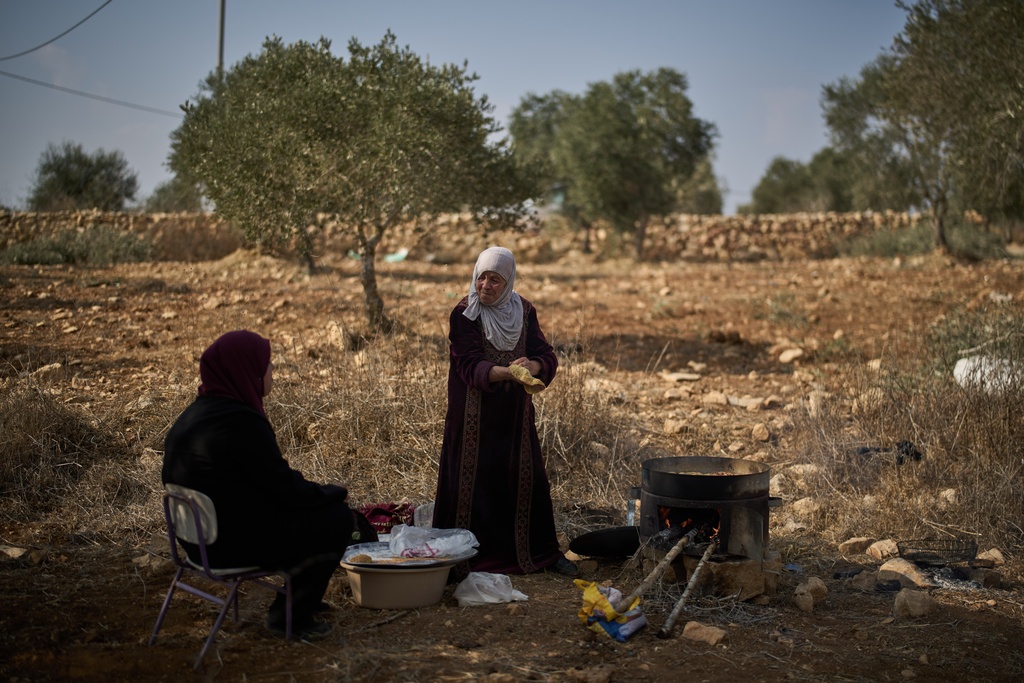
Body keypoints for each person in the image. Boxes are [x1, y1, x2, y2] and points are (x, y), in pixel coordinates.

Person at [162, 330, 366, 639]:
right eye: (267, 365)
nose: (271, 373)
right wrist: (331, 494)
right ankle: (291, 615)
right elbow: (284, 488)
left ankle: (298, 598)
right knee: (336, 521)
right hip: (228, 547)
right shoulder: (241, 423)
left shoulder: (193, 415)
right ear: (247, 369)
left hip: (195, 542)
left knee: (313, 516)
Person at [432, 246, 578, 577]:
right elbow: (468, 365)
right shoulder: (464, 313)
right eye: (481, 277)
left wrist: (534, 364)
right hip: (472, 416)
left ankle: (538, 554)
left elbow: (546, 355)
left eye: (495, 280)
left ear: (509, 281)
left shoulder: (523, 311)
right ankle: (465, 560)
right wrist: (508, 373)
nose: (485, 285)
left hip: (515, 416)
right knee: (473, 483)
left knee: (526, 478)